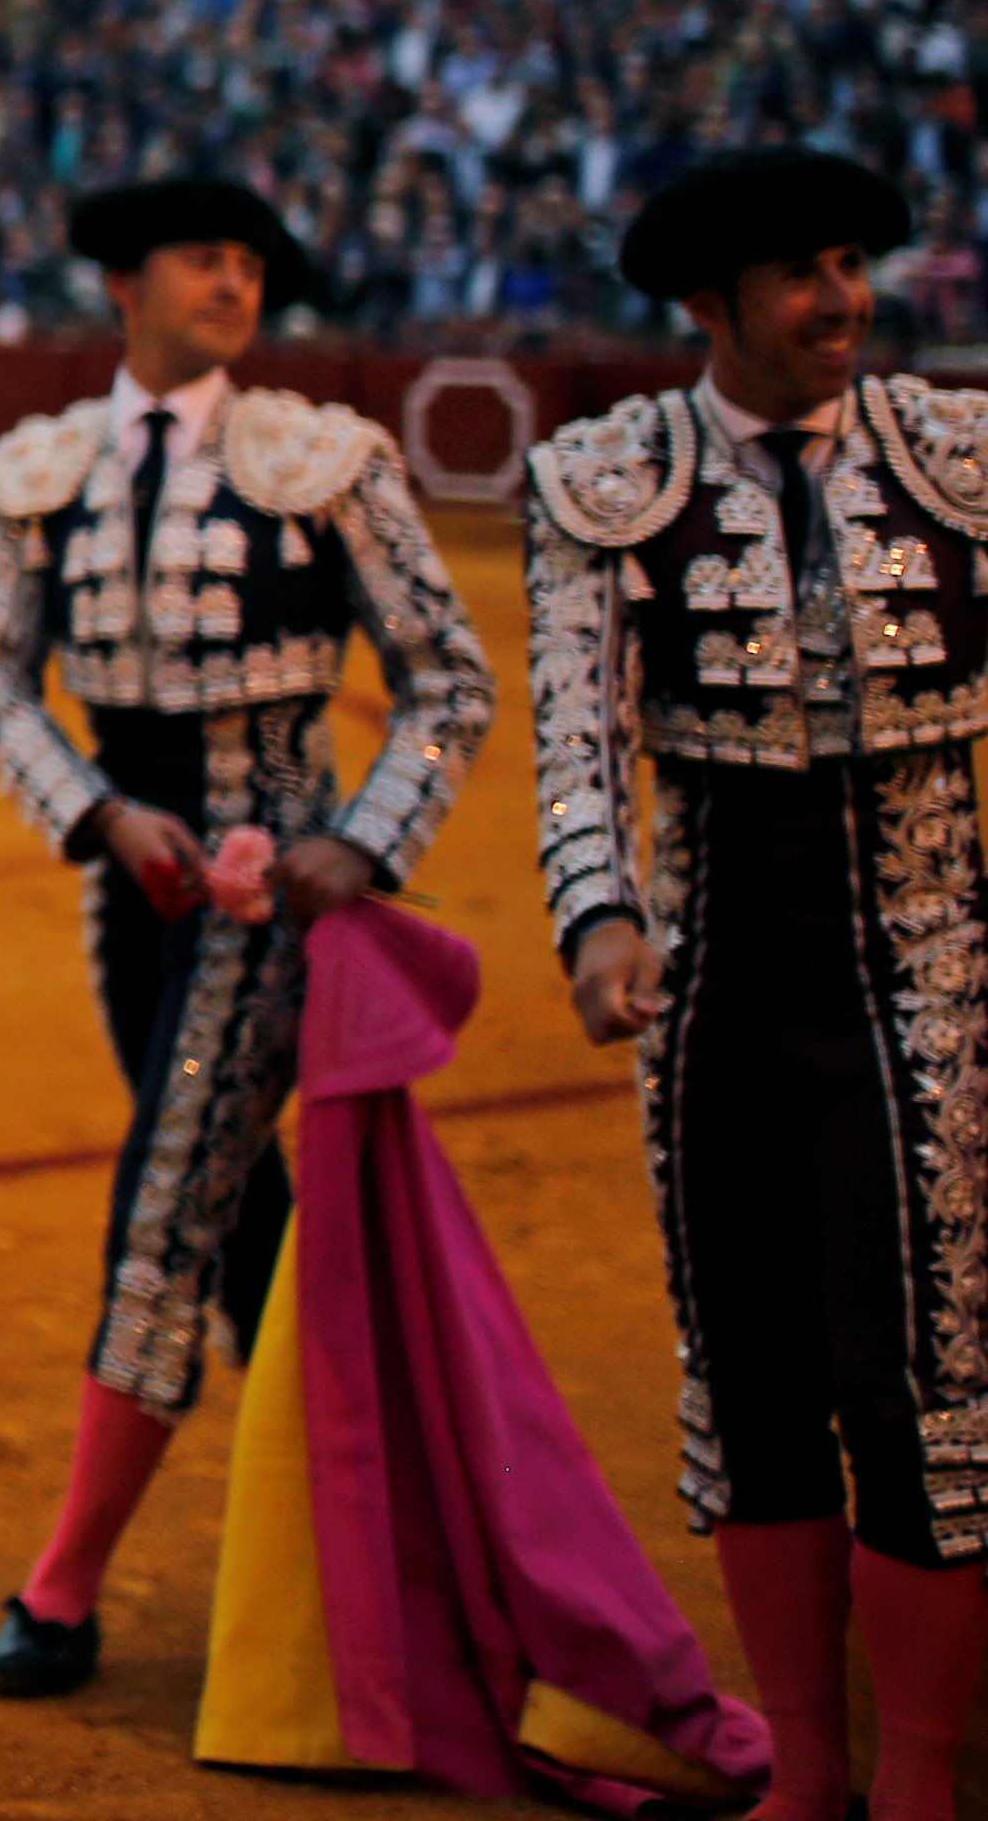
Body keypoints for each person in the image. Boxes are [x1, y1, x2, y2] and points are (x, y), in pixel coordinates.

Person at [0, 172, 492, 1703]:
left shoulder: (320, 462)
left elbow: (446, 676)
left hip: (265, 899)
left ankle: (61, 1584)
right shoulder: (41, 468)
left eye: (247, 262)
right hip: (125, 889)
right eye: (201, 258)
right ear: (121, 279)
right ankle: (357, 1535)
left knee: (164, 1203)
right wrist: (98, 816)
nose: (231, 283)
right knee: (239, 1213)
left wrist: (358, 842)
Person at [530, 142, 988, 1821]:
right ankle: (808, 1779)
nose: (841, 301)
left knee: (918, 1383)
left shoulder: (958, 458)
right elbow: (575, 744)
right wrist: (594, 920)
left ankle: (924, 1787)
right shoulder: (600, 478)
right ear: (708, 308)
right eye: (801, 276)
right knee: (746, 1382)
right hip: (713, 985)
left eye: (850, 267)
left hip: (924, 984)